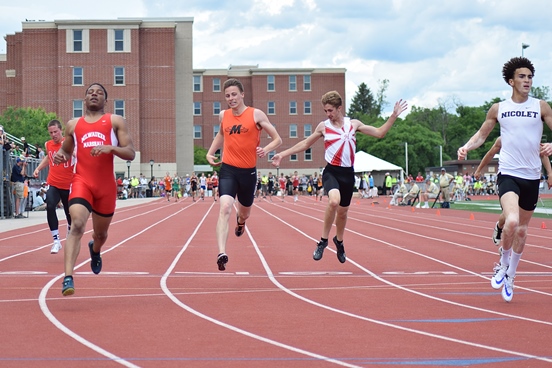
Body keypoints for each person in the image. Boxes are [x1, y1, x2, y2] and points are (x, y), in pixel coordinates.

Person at [272, 91, 407, 263]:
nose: (328, 114)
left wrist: (393, 116)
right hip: (332, 172)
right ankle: (323, 241)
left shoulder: (353, 124)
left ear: (339, 108)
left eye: (330, 110)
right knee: (333, 201)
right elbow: (305, 143)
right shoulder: (323, 126)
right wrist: (282, 154)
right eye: (325, 111)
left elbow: (380, 133)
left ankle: (339, 241)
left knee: (342, 213)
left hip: (348, 174)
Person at [457, 57, 552, 302]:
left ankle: (510, 274)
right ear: (511, 81)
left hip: (532, 176)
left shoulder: (541, 107)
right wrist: (466, 147)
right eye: (522, 77)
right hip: (509, 172)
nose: (527, 80)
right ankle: (503, 262)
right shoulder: (499, 108)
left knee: (521, 230)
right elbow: (482, 134)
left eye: (530, 77)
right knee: (511, 221)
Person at [53, 83, 135, 296]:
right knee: (77, 225)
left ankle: (95, 250)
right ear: (84, 99)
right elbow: (66, 150)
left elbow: (130, 152)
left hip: (106, 187)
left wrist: (111, 148)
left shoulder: (115, 121)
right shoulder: (73, 125)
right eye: (90, 92)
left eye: (99, 92)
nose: (94, 94)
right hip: (82, 181)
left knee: (101, 233)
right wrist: (61, 155)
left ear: (105, 100)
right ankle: (68, 277)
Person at [206, 78, 282, 271]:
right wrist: (210, 152)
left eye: (234, 94)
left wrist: (267, 149)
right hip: (228, 169)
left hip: (248, 172)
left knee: (244, 212)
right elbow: (222, 134)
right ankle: (221, 252)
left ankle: (241, 222)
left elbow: (277, 139)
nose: (231, 99)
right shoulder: (224, 115)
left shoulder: (256, 114)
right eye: (227, 96)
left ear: (242, 94)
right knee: (224, 207)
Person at [474, 136, 552, 247]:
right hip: (509, 178)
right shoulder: (503, 139)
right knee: (512, 216)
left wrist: (550, 173)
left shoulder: (532, 137)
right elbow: (490, 154)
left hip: (529, 180)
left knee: (519, 223)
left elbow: (543, 154)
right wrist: (478, 170)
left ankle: (506, 247)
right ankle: (500, 229)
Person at [33, 119, 74, 254]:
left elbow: (77, 155)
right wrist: (38, 168)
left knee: (70, 213)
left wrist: (71, 153)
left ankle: (69, 230)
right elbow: (48, 158)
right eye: (51, 132)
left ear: (61, 130)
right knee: (50, 205)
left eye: (55, 132)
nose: (53, 135)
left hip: (68, 184)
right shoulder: (48, 144)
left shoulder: (68, 143)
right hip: (54, 182)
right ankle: (56, 240)